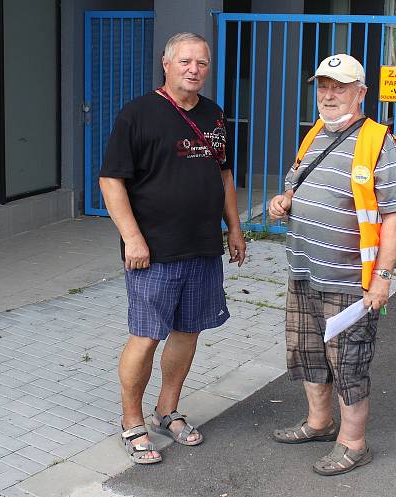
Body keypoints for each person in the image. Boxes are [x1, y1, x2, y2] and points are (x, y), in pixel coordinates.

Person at [99, 32, 246, 465]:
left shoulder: (215, 116)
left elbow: (223, 176)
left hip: (202, 247)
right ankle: (132, 421)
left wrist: (234, 229)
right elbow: (111, 180)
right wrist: (133, 237)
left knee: (187, 332)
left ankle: (167, 410)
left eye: (201, 62)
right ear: (166, 64)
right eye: (185, 61)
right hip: (153, 252)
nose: (193, 69)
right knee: (145, 338)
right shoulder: (138, 115)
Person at [268, 53, 396, 476]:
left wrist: (383, 279)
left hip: (351, 281)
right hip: (304, 270)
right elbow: (296, 184)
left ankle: (353, 443)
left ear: (361, 93)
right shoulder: (316, 132)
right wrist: (283, 202)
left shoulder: (377, 142)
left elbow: (395, 215)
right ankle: (319, 423)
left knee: (349, 361)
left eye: (340, 87)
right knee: (309, 352)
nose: (329, 94)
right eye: (323, 86)